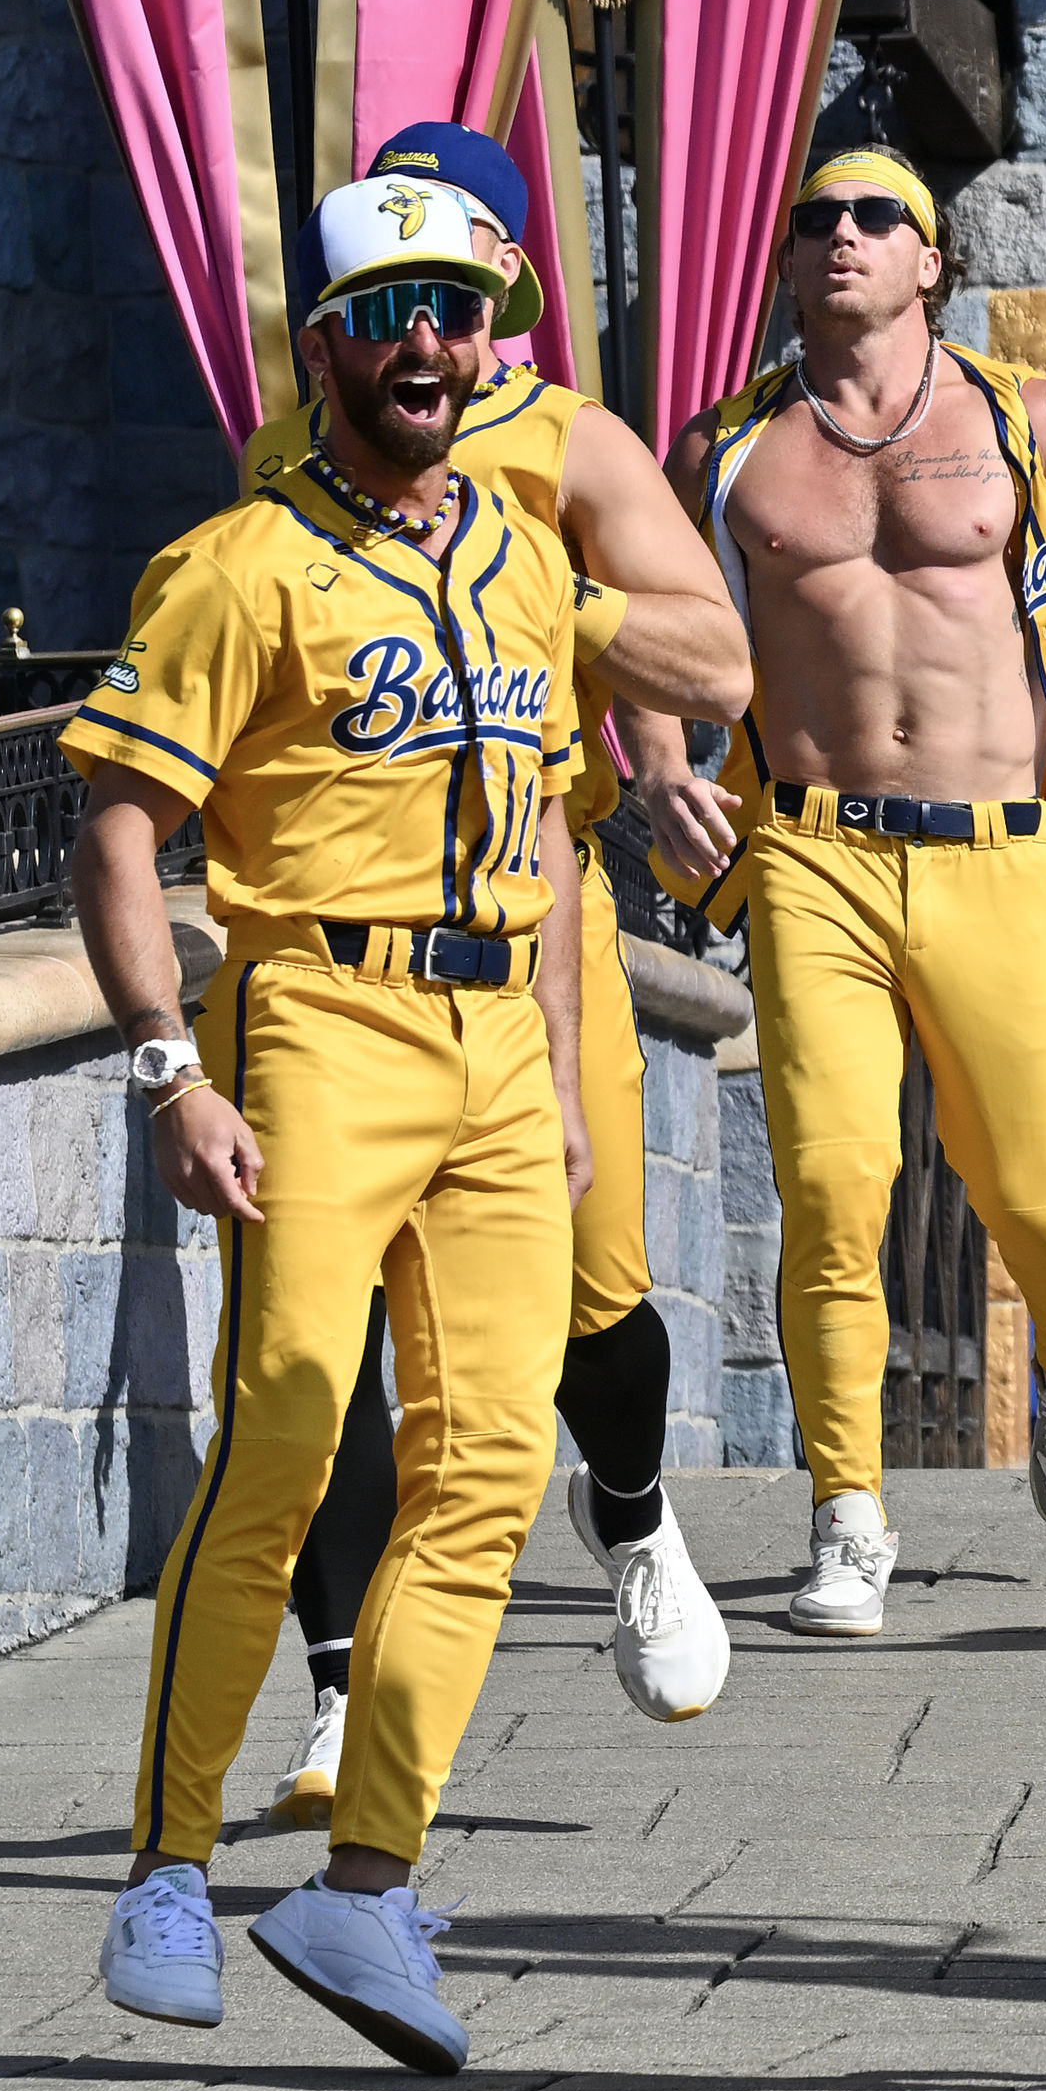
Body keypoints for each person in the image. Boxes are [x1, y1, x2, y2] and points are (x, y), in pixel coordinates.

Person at [75, 175, 600, 2073]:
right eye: (394, 315)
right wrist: (169, 1065)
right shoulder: (236, 567)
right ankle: (169, 1858)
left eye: (461, 315)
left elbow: (544, 812)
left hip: (492, 1043)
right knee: (289, 1425)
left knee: (486, 1479)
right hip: (314, 1018)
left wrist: (552, 1084)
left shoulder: (528, 557)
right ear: (324, 350)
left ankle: (367, 1886)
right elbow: (122, 820)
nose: (433, 350)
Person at [236, 122, 753, 1809]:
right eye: (388, 283)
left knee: (597, 1278)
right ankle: (336, 1690)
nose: (420, 321)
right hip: (333, 956)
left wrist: (625, 715)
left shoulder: (568, 446)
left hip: (530, 912)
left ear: (500, 297)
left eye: (450, 282)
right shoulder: (285, 454)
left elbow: (701, 648)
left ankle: (631, 1512)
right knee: (330, 1351)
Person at [632, 147, 1046, 1635]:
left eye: (880, 217)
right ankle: (847, 1519)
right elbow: (635, 615)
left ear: (931, 261)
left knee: (1037, 1197)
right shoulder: (728, 443)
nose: (846, 237)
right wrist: (659, 763)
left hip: (1000, 847)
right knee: (828, 1182)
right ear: (789, 262)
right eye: (817, 219)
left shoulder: (1014, 415)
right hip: (811, 851)